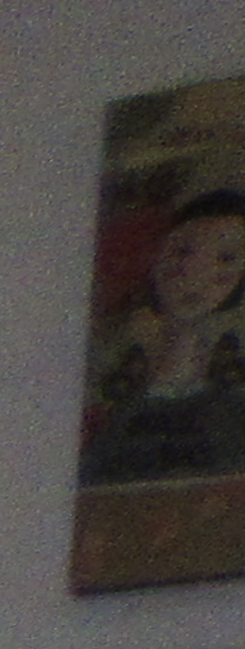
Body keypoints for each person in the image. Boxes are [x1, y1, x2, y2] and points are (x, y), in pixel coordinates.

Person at [86, 185, 245, 489]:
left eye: (225, 259)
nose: (195, 274)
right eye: (182, 252)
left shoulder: (232, 396)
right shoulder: (116, 385)